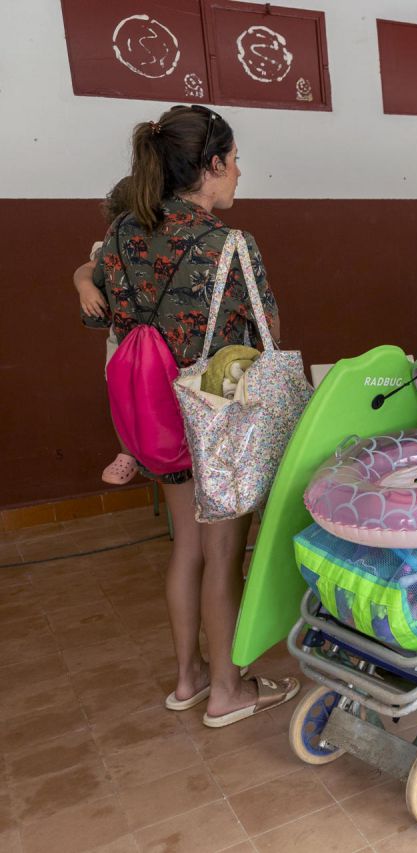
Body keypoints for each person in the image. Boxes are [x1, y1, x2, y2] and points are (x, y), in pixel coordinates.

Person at [89, 105, 298, 726]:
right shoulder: (229, 244)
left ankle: (190, 678)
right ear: (210, 165)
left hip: (154, 413)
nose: (238, 172)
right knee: (223, 553)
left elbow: (98, 314)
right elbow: (268, 335)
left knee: (186, 547)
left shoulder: (123, 232)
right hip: (217, 415)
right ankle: (229, 691)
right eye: (233, 160)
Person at [75, 178, 140, 485]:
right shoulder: (110, 246)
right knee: (120, 395)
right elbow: (84, 270)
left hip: (161, 341)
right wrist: (85, 287)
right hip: (122, 340)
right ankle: (127, 452)